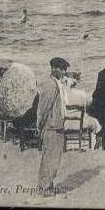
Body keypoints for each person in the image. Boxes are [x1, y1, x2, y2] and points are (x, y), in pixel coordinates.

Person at [36, 57, 71, 196]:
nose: (63, 72)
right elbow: (43, 108)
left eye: (64, 70)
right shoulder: (51, 85)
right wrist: (40, 126)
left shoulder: (56, 84)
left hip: (56, 125)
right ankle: (45, 188)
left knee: (53, 158)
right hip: (51, 127)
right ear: (54, 68)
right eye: (62, 69)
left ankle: (46, 186)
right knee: (51, 158)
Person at [62, 72, 102, 150]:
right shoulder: (81, 93)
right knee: (95, 123)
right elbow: (86, 108)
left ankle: (67, 145)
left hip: (66, 124)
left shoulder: (63, 93)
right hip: (81, 124)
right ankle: (93, 146)